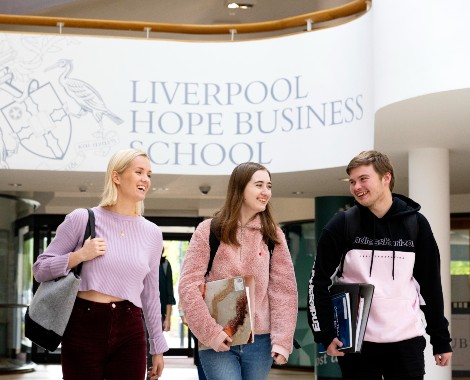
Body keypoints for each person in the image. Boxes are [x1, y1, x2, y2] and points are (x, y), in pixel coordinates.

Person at [307, 150, 452, 380]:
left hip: (407, 342)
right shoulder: (342, 224)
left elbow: (431, 285)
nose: (356, 187)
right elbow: (318, 281)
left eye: (364, 179)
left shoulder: (416, 224)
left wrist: (440, 338)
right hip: (358, 343)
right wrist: (325, 333)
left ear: (386, 178)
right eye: (352, 181)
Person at [32, 148, 168, 380]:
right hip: (83, 323)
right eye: (139, 172)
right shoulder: (81, 219)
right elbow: (40, 269)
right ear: (116, 177)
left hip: (130, 326)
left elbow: (151, 295)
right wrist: (79, 256)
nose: (146, 179)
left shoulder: (152, 233)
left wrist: (158, 348)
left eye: (149, 174)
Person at [178, 161, 298, 380]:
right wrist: (211, 332)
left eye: (269, 186)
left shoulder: (273, 235)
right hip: (217, 337)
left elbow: (284, 290)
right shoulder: (209, 230)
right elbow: (188, 286)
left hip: (260, 342)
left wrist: (282, 340)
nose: (266, 192)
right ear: (240, 189)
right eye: (259, 185)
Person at [159, 248, 176, 332]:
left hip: (158, 315)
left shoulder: (165, 265)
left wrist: (167, 319)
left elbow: (169, 294)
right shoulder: (142, 264)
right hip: (140, 314)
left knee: (154, 343)